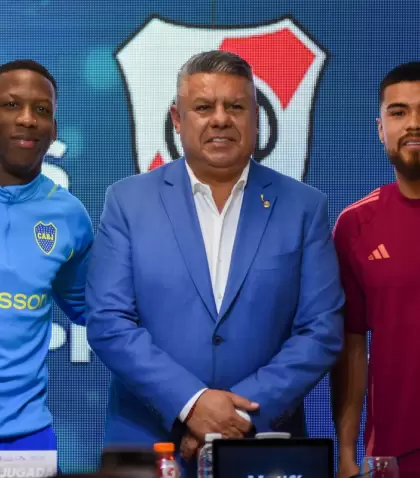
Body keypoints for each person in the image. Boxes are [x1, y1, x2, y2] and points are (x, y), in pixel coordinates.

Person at [86, 50, 344, 477]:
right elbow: (109, 321)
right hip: (150, 445)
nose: (220, 119)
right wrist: (191, 404)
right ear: (176, 117)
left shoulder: (303, 207)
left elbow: (321, 331)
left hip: (265, 448)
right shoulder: (127, 202)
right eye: (204, 107)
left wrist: (235, 419)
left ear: (256, 116)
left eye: (236, 106)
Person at [331, 61, 420, 478]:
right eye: (399, 112)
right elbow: (351, 346)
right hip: (392, 459)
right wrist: (346, 453)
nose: (413, 124)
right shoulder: (355, 225)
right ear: (380, 128)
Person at [0, 60, 93, 452]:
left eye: (42, 110)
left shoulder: (69, 215)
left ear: (53, 131)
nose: (27, 119)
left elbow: (99, 311)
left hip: (25, 437)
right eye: (10, 105)